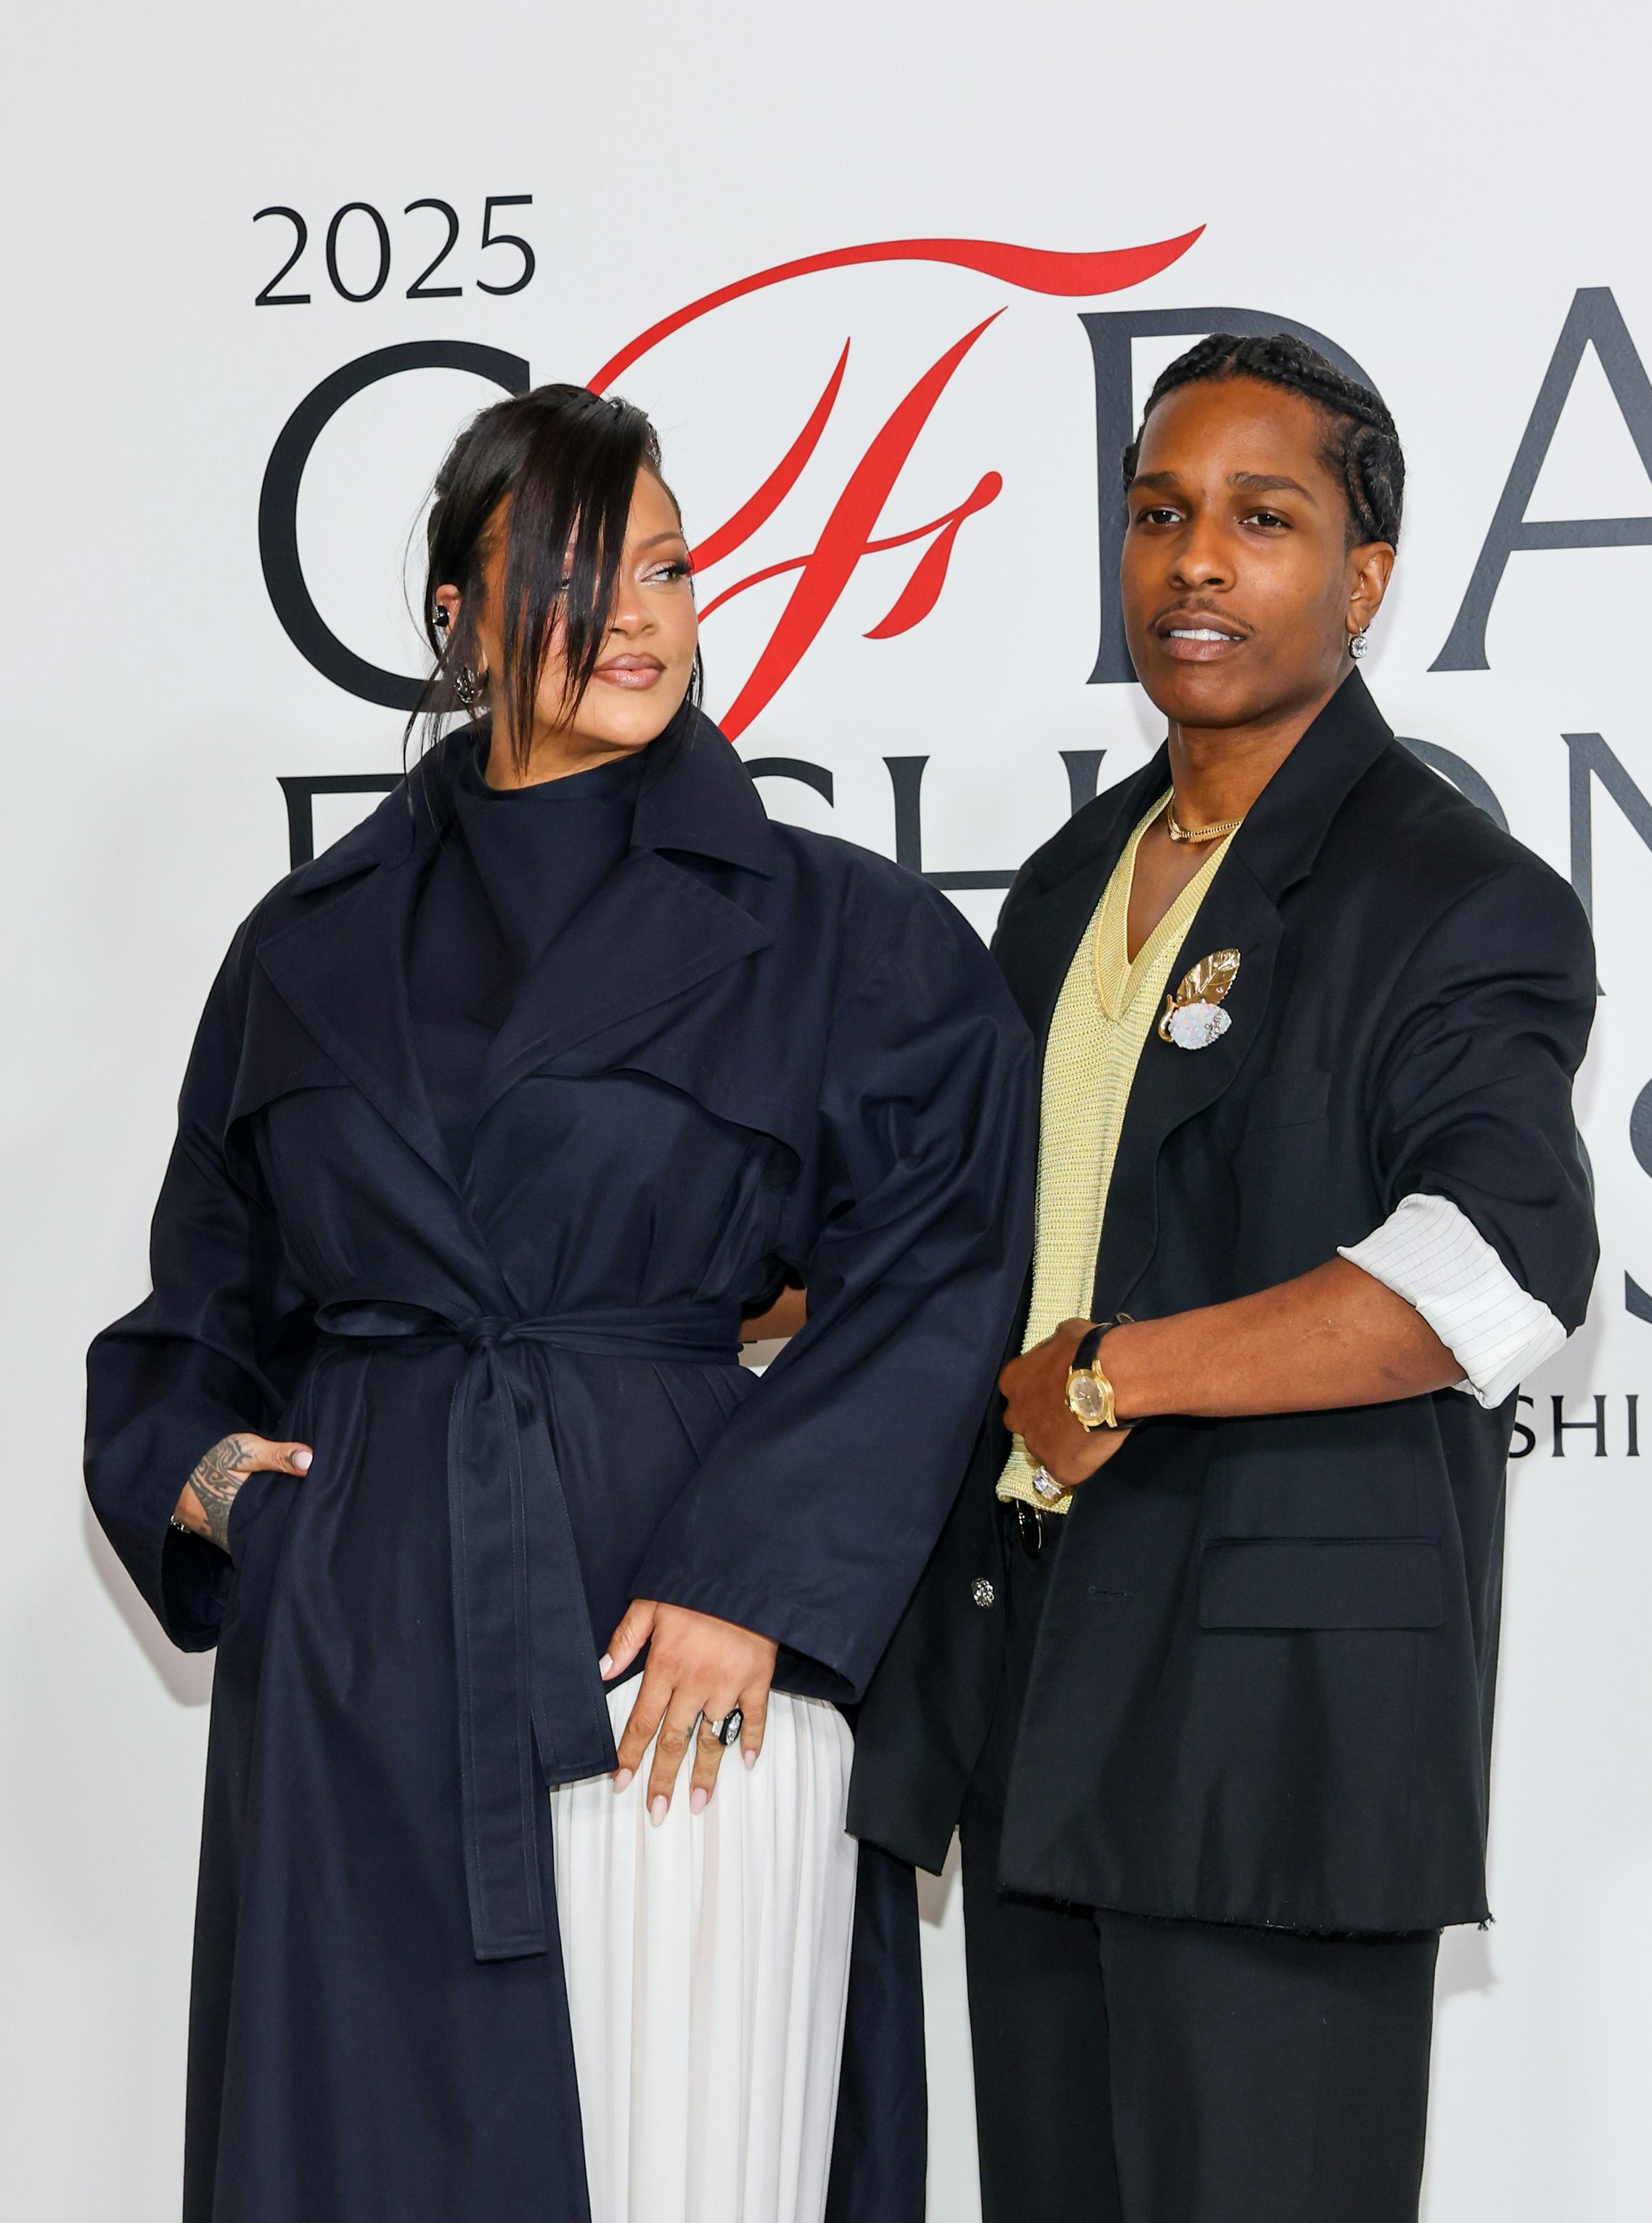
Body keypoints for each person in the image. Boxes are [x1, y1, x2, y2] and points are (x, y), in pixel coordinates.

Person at [85, 382, 1034, 2223]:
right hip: (360, 1629)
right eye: (579, 574)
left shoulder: (839, 928)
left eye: (669, 564)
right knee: (358, 2139)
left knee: (677, 2144)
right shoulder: (307, 937)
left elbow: (942, 1256)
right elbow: (208, 1270)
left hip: (661, 1608)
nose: (642, 616)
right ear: (456, 618)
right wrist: (201, 1475)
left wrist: (759, 1576)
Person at [849, 335, 1598, 2223]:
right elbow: (974, 1242)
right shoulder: (1065, 884)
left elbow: (1500, 1266)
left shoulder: (1453, 893)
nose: (1195, 560)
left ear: (1362, 577)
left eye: (1263, 519)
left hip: (1272, 1751)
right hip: (1037, 1722)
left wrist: (1118, 1376)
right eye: (1159, 513)